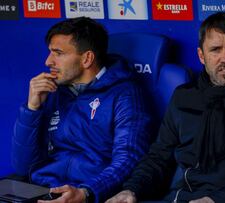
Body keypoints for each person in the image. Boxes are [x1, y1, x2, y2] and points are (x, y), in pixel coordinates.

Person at [106, 12, 225, 203]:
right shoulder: (184, 96)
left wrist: (215, 200)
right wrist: (132, 190)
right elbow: (158, 157)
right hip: (180, 197)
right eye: (215, 50)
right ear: (201, 56)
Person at [12, 17, 151, 203]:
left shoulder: (125, 94)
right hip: (44, 190)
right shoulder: (51, 91)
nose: (48, 61)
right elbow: (23, 167)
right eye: (50, 53)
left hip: (90, 193)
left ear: (87, 58)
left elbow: (127, 160)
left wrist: (87, 192)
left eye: (58, 53)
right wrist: (32, 109)